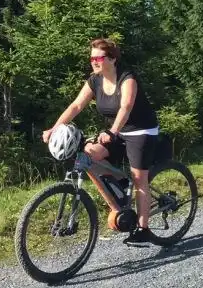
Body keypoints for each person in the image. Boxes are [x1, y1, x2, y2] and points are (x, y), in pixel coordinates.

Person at [42, 38, 159, 243]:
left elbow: (126, 107)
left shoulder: (127, 78)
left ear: (112, 59)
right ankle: (120, 191)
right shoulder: (94, 80)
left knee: (140, 180)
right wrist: (55, 128)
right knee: (88, 156)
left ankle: (143, 228)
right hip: (116, 131)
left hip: (141, 131)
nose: (94, 62)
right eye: (92, 58)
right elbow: (76, 106)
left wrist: (113, 132)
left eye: (98, 58)